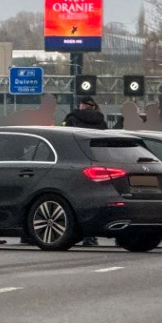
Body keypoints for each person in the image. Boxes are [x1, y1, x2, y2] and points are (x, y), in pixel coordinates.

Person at [63, 96, 109, 244]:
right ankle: (91, 235)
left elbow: (63, 138)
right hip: (97, 164)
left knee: (73, 200)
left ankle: (73, 233)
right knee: (94, 200)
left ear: (81, 105)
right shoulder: (101, 121)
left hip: (75, 163)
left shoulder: (71, 119)